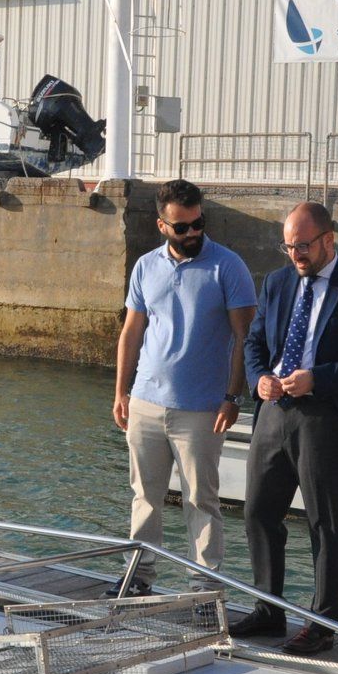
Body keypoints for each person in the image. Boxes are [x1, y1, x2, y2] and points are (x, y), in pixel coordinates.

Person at [232, 201, 338, 654]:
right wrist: (260, 376)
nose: (295, 255)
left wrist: (317, 378)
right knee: (258, 512)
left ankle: (322, 624)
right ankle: (268, 610)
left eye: (302, 246)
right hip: (273, 411)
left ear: (327, 240)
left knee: (324, 521)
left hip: (326, 417)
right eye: (288, 247)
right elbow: (256, 341)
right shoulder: (278, 282)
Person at [114, 178, 257, 577]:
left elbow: (246, 337)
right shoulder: (145, 267)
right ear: (162, 226)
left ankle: (203, 589)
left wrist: (233, 397)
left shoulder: (228, 266)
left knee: (202, 501)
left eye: (198, 223)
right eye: (182, 227)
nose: (193, 233)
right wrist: (121, 392)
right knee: (144, 497)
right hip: (144, 402)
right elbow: (131, 332)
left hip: (203, 409)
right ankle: (138, 579)